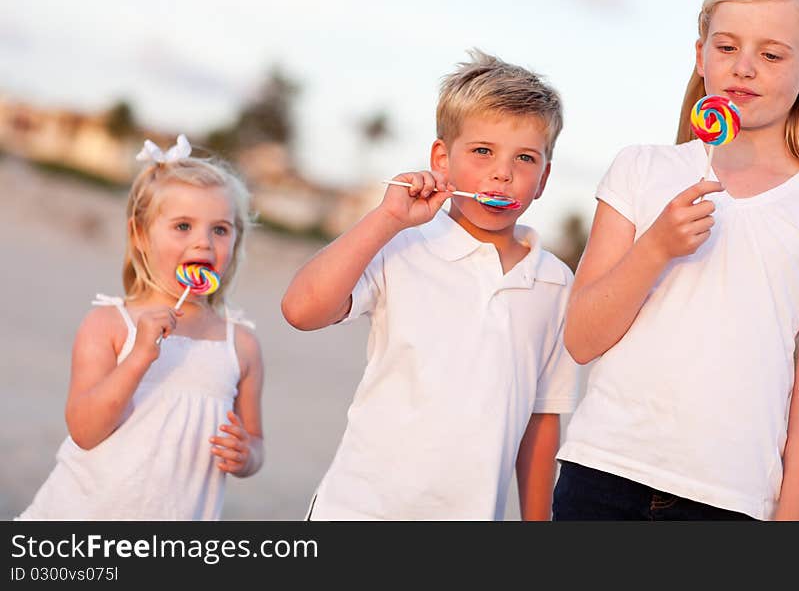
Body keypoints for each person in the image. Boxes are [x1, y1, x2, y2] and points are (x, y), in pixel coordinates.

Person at [555, 0, 799, 521]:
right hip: (602, 474)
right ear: (701, 57)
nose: (743, 67)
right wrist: (655, 247)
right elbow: (581, 338)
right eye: (727, 47)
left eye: (772, 55)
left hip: (730, 502)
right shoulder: (641, 169)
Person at [282, 50, 580, 520]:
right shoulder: (403, 246)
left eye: (525, 158)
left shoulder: (555, 283)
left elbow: (542, 420)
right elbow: (301, 310)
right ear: (442, 159)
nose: (503, 172)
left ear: (543, 178)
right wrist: (386, 220)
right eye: (483, 152)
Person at [17, 135, 265, 520]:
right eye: (183, 226)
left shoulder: (242, 346)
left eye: (220, 230)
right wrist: (137, 359)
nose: (203, 242)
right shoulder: (108, 324)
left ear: (236, 238)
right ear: (140, 234)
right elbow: (85, 430)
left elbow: (255, 441)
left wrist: (245, 455)